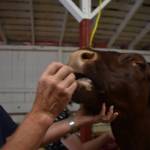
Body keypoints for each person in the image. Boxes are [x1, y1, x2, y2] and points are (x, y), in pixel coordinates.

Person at [1, 62, 118, 150]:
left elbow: (13, 140)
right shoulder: (58, 114)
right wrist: (42, 114)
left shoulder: (63, 113)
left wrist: (78, 119)